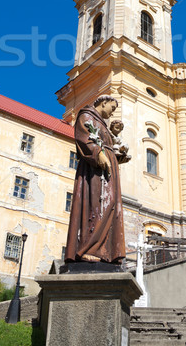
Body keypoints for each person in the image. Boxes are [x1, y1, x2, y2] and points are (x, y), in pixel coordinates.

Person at [64, 95, 129, 264]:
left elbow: (107, 148)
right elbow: (84, 137)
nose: (112, 112)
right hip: (94, 171)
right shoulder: (86, 116)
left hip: (107, 171)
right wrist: (98, 153)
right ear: (103, 102)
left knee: (110, 205)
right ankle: (88, 249)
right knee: (96, 205)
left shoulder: (102, 123)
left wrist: (117, 157)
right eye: (112, 108)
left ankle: (105, 251)